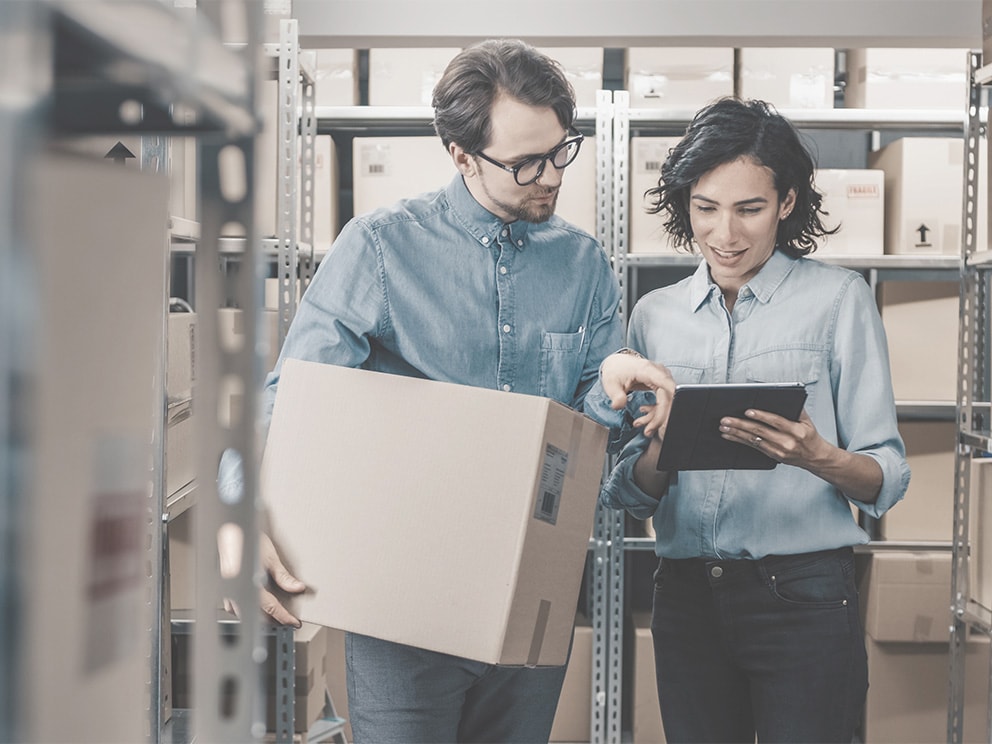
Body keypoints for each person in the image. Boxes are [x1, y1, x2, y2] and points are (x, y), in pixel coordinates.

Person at [218, 39, 624, 743]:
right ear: (460, 153)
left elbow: (587, 437)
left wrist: (615, 395)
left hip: (533, 597)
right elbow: (292, 395)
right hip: (405, 608)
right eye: (525, 162)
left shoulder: (584, 266)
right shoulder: (379, 248)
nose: (551, 177)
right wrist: (238, 504)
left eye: (561, 150)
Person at [583, 97, 911, 744]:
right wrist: (657, 448)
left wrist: (817, 455)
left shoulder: (839, 300)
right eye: (705, 209)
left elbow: (889, 476)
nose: (724, 234)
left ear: (786, 203)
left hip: (805, 595)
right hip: (686, 597)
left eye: (749, 209)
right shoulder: (654, 315)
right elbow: (626, 492)